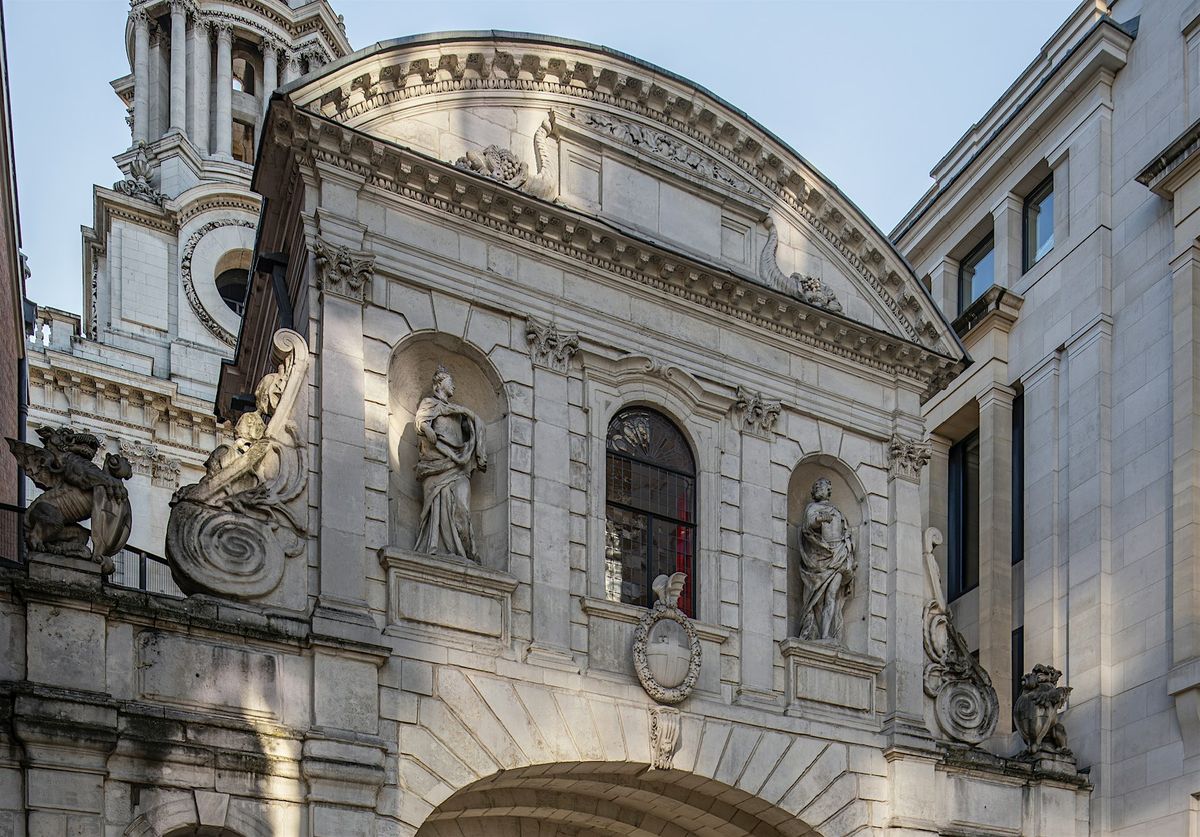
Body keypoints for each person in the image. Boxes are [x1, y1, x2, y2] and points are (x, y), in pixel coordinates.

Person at [414, 366, 487, 561]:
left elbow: (470, 430)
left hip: (458, 466)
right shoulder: (429, 403)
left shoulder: (458, 412)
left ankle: (463, 552)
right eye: (449, 381)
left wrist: (468, 422)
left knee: (462, 508)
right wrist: (426, 429)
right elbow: (421, 422)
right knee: (438, 506)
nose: (453, 384)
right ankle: (439, 548)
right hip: (436, 465)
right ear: (439, 384)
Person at [797, 477, 855, 641]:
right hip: (819, 558)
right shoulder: (812, 508)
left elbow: (845, 530)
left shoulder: (837, 511)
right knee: (817, 599)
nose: (821, 490)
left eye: (823, 487)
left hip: (838, 555)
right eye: (819, 487)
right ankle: (814, 632)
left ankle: (826, 635)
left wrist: (848, 544)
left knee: (832, 595)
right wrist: (820, 519)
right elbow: (808, 526)